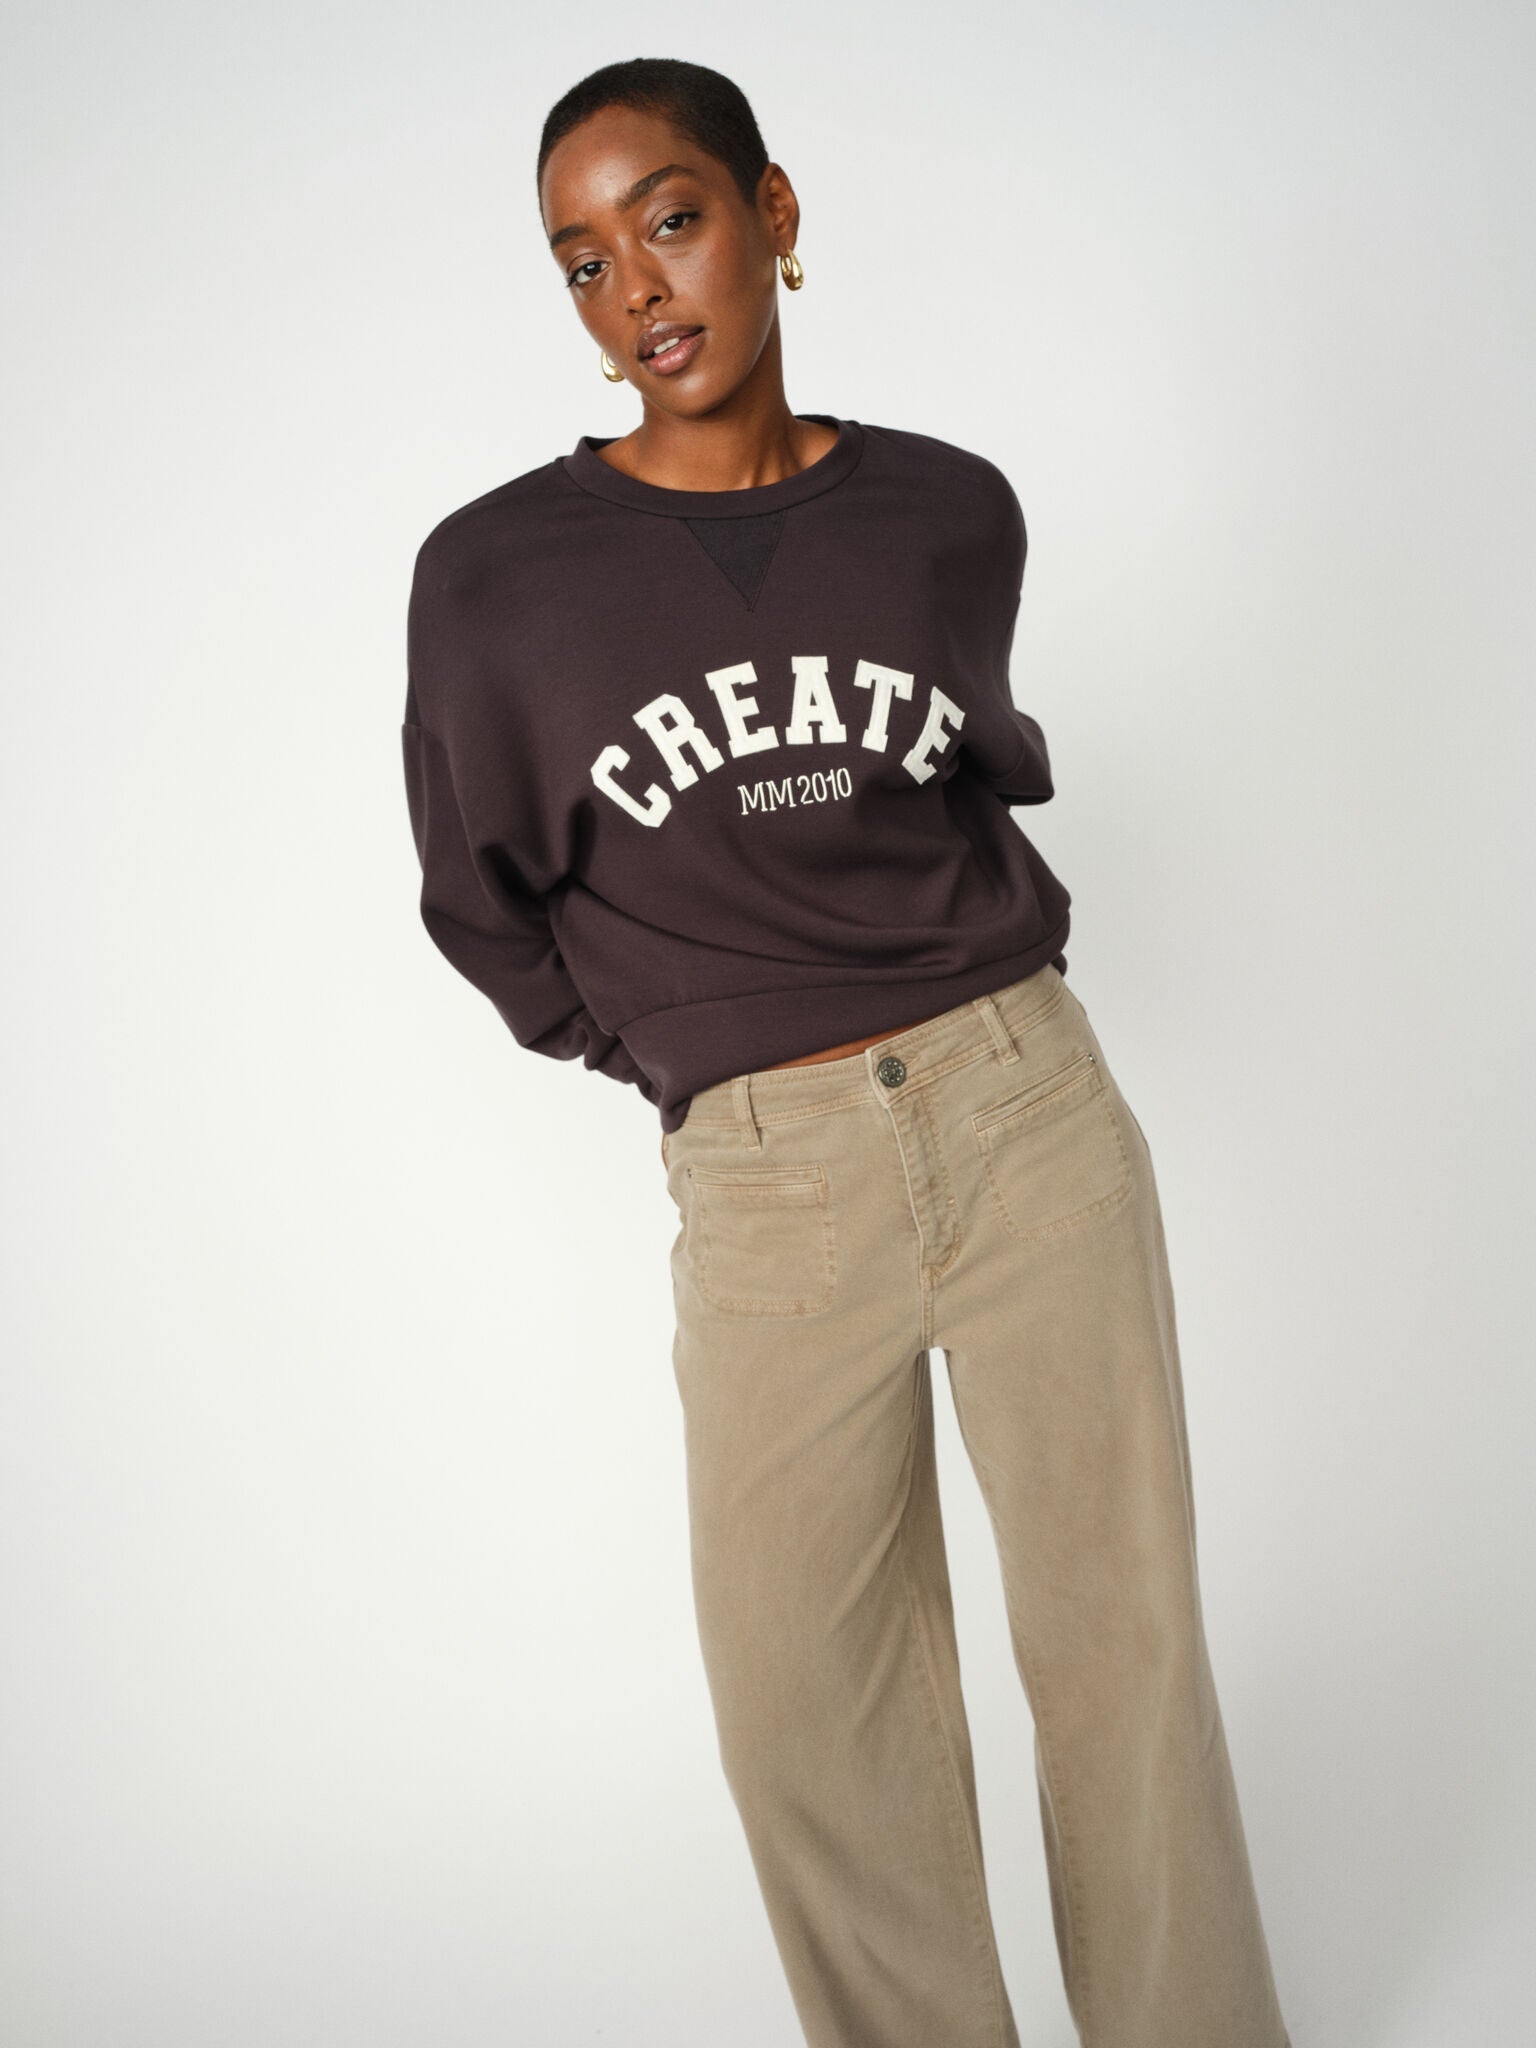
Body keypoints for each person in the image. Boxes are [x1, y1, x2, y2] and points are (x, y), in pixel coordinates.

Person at [400, 55, 1293, 2048]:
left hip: (1027, 1108)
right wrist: (695, 1061)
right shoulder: (492, 577)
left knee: (1125, 1656)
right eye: (583, 261)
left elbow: (977, 778)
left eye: (671, 218)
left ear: (773, 214)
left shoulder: (949, 512)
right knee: (810, 1713)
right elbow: (482, 901)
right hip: (768, 1182)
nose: (638, 286)